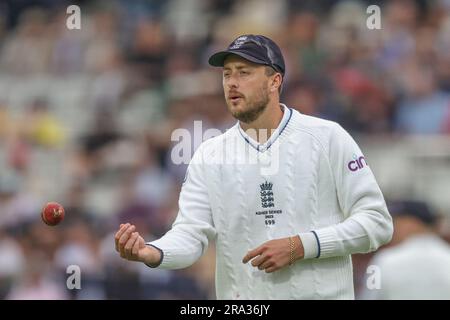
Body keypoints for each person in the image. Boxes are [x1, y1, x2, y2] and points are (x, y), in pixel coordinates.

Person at [115, 34, 393, 299]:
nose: (231, 83)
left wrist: (300, 246)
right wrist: (152, 252)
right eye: (227, 74)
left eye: (244, 72)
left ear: (275, 81)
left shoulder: (328, 137)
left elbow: (377, 223)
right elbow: (190, 234)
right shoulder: (209, 154)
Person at [360, 200, 450, 300]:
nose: (392, 229)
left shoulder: (383, 260)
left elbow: (369, 297)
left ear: (411, 223)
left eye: (396, 222)